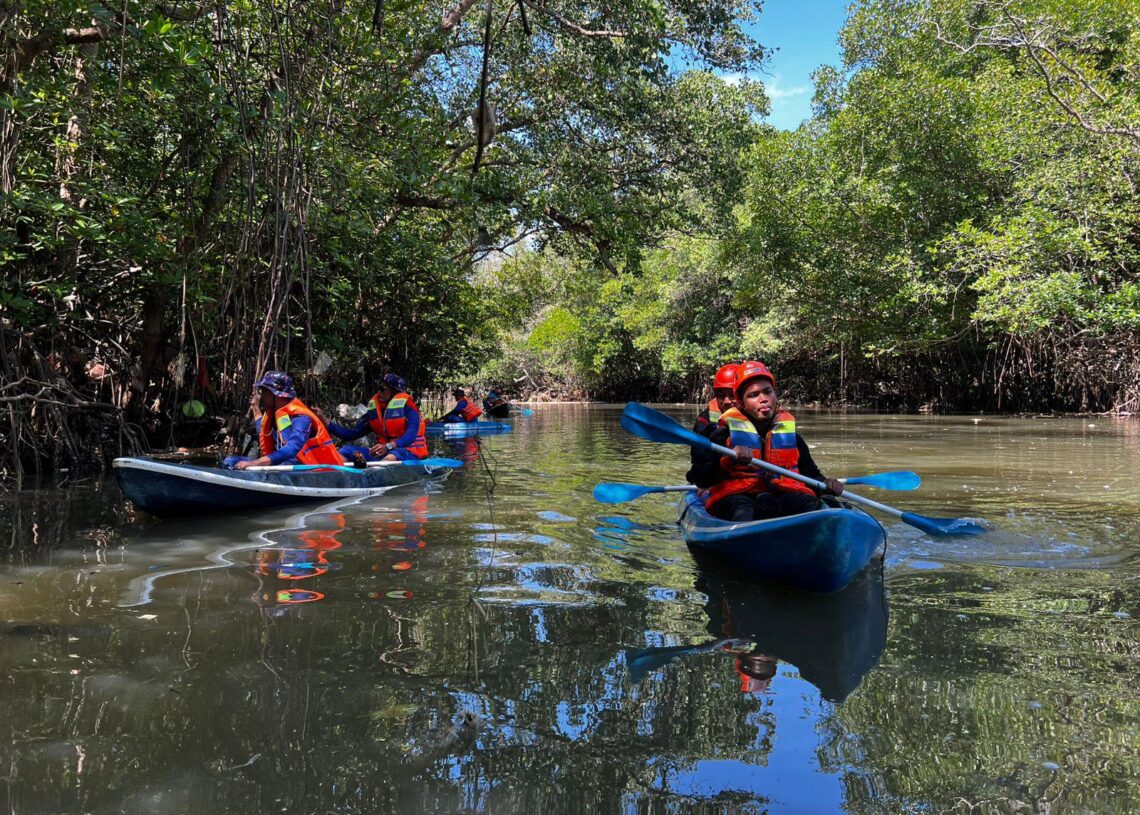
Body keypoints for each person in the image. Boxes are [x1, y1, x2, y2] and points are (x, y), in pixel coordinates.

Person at [692, 360, 844, 522]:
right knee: (741, 511)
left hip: (781, 495)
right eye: (753, 395)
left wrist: (827, 484)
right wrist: (728, 458)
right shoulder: (723, 435)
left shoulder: (791, 437)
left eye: (767, 392)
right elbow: (700, 478)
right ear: (742, 403)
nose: (763, 399)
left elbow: (811, 476)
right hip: (739, 497)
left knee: (807, 502)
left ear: (775, 395)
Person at [225, 371, 343, 470]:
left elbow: (292, 448)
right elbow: (264, 433)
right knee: (231, 460)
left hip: (304, 468)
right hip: (280, 464)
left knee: (281, 465)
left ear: (275, 395)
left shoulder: (301, 418)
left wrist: (256, 463)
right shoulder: (275, 414)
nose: (262, 396)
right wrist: (255, 409)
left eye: (264, 392)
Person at [325, 373, 428, 461]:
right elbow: (351, 434)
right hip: (383, 453)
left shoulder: (409, 409)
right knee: (346, 450)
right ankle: (334, 474)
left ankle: (374, 475)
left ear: (394, 392)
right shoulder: (374, 413)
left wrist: (388, 446)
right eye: (378, 389)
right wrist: (325, 421)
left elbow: (410, 436)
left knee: (394, 454)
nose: (379, 392)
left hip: (410, 452)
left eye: (382, 389)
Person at [686, 363, 738, 484]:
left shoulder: (757, 415)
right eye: (721, 395)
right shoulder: (704, 420)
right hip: (715, 470)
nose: (726, 401)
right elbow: (698, 457)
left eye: (732, 395)